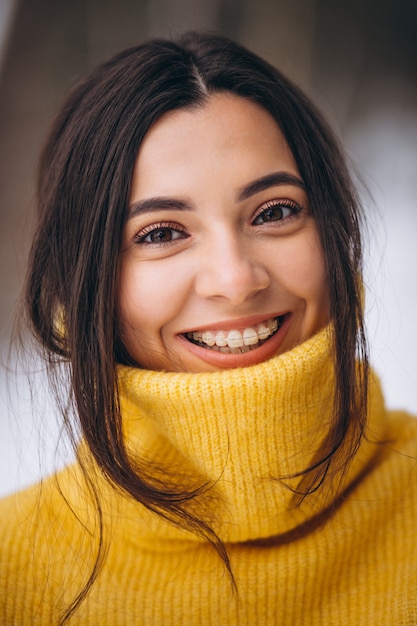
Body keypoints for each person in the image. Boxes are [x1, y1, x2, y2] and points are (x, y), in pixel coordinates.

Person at [0, 31, 416, 625]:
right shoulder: (10, 574)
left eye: (274, 212)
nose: (235, 279)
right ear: (83, 282)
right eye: (162, 233)